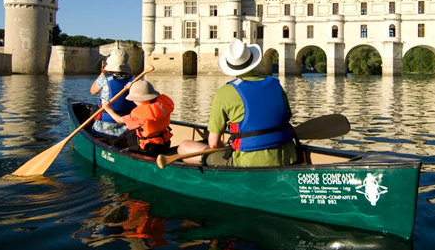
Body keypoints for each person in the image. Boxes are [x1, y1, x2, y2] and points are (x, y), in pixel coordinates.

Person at [177, 39, 297, 167]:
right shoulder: (276, 85)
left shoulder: (224, 93)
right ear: (253, 61)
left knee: (184, 147)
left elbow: (213, 143)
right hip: (288, 156)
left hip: (247, 161)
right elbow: (286, 118)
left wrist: (224, 145)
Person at [102, 80, 175, 157]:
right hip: (165, 142)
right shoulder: (162, 104)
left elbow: (119, 120)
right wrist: (133, 87)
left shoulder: (137, 114)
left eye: (134, 99)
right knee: (132, 133)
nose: (133, 101)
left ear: (139, 99)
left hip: (149, 148)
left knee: (122, 145)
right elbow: (151, 93)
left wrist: (108, 109)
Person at [90, 49, 136, 139]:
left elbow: (93, 91)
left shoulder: (105, 79)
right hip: (127, 126)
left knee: (94, 110)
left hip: (105, 127)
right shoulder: (134, 80)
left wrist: (102, 73)